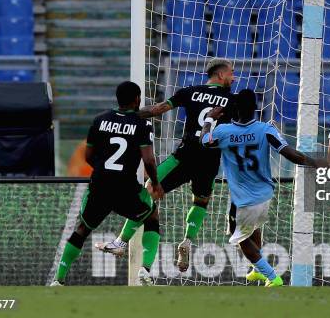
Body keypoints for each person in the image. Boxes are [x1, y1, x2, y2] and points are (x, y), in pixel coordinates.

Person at [96, 58, 235, 273]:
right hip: (210, 158)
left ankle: (121, 243)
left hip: (185, 155)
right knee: (200, 201)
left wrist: (126, 115)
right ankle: (187, 240)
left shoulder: (190, 91)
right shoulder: (231, 100)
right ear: (220, 75)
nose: (233, 77)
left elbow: (157, 110)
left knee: (147, 191)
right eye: (231, 73)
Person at [200, 89, 325, 287]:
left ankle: (271, 276)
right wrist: (315, 162)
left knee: (237, 237)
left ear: (234, 109)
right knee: (252, 228)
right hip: (265, 194)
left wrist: (208, 119)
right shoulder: (265, 129)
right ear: (256, 108)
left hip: (242, 199)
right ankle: (257, 271)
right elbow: (290, 154)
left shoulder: (223, 131)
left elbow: (204, 142)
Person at [51, 81, 160, 286]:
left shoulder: (100, 120)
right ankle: (145, 269)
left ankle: (59, 280)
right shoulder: (142, 124)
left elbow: (88, 156)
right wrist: (156, 182)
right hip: (125, 187)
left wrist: (103, 169)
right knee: (151, 214)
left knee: (82, 229)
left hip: (100, 184)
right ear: (137, 99)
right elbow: (148, 160)